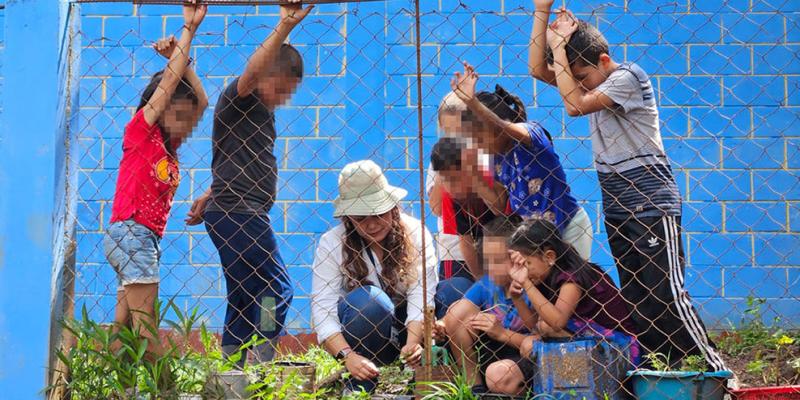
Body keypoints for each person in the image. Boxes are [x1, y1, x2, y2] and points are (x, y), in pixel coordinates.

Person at [528, 0, 727, 371]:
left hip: (650, 201)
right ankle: (662, 369)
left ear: (603, 61)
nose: (577, 82)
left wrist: (559, 47)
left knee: (666, 294)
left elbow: (574, 106)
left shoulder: (627, 77)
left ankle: (714, 370)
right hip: (618, 204)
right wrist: (543, 13)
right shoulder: (590, 79)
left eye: (581, 75)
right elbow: (538, 69)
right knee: (638, 297)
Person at [185, 1, 312, 364]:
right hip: (241, 213)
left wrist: (210, 193)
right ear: (265, 77)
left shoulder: (260, 114)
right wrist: (284, 26)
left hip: (230, 210)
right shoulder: (239, 98)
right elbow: (252, 71)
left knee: (243, 295)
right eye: (282, 87)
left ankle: (232, 371)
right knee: (276, 288)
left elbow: (230, 158)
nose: (285, 97)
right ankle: (261, 360)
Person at [103, 1, 208, 356]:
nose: (187, 122)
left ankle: (109, 385)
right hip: (132, 233)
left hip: (141, 237)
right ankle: (166, 390)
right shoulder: (141, 132)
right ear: (160, 108)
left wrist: (181, 57)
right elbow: (168, 89)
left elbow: (203, 101)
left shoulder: (168, 146)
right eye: (179, 113)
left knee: (124, 329)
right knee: (148, 336)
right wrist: (187, 33)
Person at [311, 160, 438, 393]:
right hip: (363, 331)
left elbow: (423, 292)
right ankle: (359, 385)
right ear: (348, 218)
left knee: (450, 294)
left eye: (377, 213)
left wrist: (412, 342)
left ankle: (421, 381)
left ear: (392, 207)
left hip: (408, 329)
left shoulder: (416, 232)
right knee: (369, 301)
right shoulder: (332, 243)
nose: (371, 225)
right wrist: (347, 356)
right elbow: (322, 308)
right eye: (360, 218)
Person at [449, 62, 593, 260]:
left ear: (497, 128)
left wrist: (473, 103)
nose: (477, 144)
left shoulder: (531, 135)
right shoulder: (494, 159)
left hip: (568, 227)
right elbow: (500, 207)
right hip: (534, 240)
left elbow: (505, 126)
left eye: (480, 136)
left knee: (572, 284)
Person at [496, 218, 639, 397]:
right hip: (587, 343)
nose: (522, 271)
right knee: (538, 331)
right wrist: (517, 297)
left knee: (544, 329)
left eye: (526, 264)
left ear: (549, 257)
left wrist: (525, 282)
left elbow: (556, 322)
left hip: (617, 346)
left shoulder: (572, 277)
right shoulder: (544, 277)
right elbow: (533, 325)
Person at [442, 216, 535, 391]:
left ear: (519, 258)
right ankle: (475, 388)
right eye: (488, 260)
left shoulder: (533, 289)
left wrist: (501, 334)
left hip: (521, 360)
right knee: (457, 311)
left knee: (500, 375)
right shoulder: (488, 284)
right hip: (491, 353)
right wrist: (440, 325)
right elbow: (459, 313)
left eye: (499, 260)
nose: (491, 267)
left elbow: (538, 345)